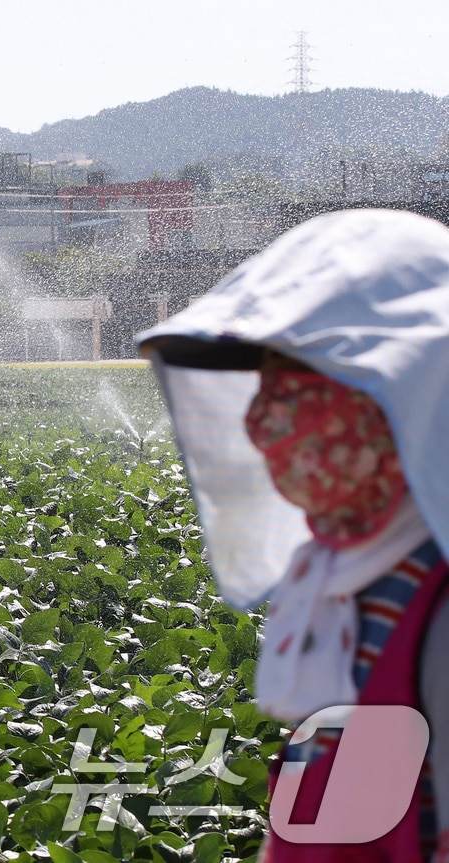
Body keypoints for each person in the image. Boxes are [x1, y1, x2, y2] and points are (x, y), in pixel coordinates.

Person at [138, 208, 449, 862]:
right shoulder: (331, 578)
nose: (264, 418)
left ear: (410, 387)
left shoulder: (437, 603)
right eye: (267, 378)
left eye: (302, 381)